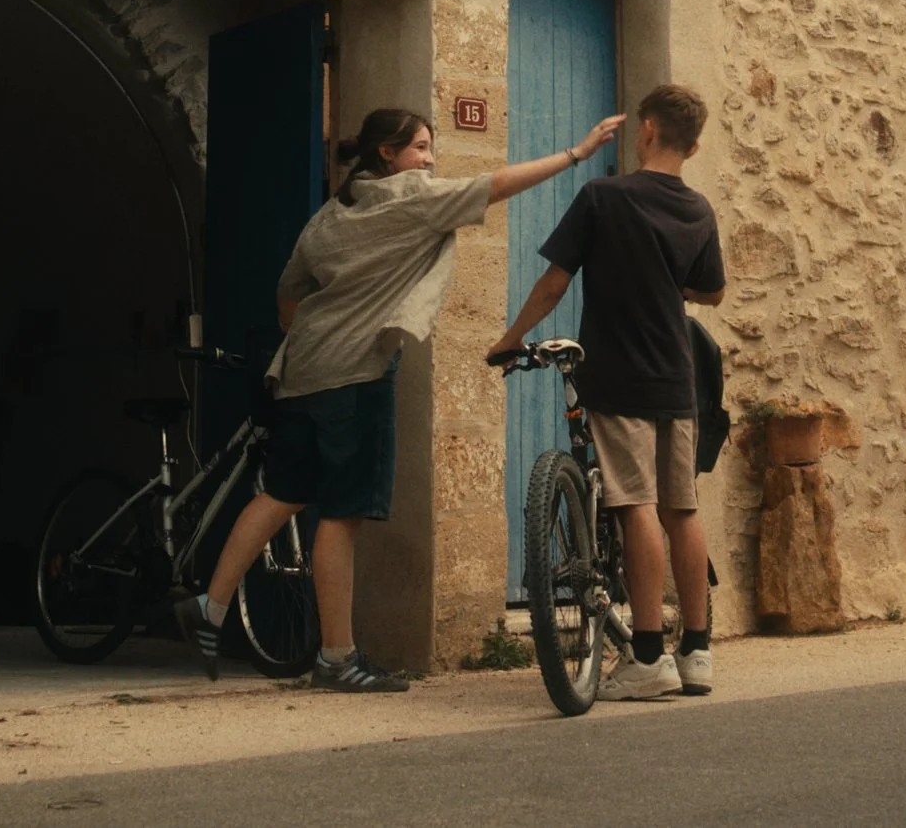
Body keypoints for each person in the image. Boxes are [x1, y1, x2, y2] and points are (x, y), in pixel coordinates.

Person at [183, 103, 626, 692]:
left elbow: (288, 297)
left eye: (431, 147)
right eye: (420, 147)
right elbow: (494, 186)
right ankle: (336, 659)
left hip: (299, 372)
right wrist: (575, 153)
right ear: (387, 155)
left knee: (282, 494)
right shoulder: (414, 197)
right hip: (357, 373)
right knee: (340, 516)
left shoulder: (329, 215)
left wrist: (319, 330)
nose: (429, 158)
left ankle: (209, 607)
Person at [488, 83, 725, 702]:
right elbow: (712, 291)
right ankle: (696, 652)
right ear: (693, 144)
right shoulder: (699, 210)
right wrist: (669, 285)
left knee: (636, 503)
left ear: (645, 129)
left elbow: (554, 283)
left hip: (618, 374)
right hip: (677, 376)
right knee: (682, 508)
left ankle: (647, 655)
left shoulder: (604, 197)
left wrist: (511, 339)